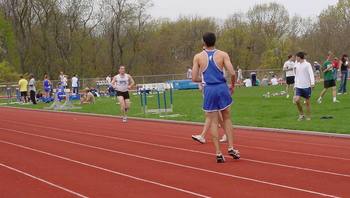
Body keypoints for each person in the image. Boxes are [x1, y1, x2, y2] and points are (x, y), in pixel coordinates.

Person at [192, 32, 240, 163]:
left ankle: (218, 153)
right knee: (227, 118)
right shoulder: (223, 54)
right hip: (222, 87)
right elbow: (232, 73)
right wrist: (233, 85)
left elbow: (193, 77)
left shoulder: (198, 57)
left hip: (209, 89)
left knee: (213, 121)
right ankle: (231, 147)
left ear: (204, 42)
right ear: (215, 41)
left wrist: (203, 80)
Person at [293, 52, 315, 121]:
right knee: (296, 100)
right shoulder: (297, 65)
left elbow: (311, 74)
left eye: (296, 57)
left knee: (307, 102)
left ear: (299, 57)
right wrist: (295, 85)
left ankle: (308, 116)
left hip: (306, 86)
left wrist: (312, 83)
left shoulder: (307, 64)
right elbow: (296, 76)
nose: (296, 58)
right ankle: (301, 115)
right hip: (299, 86)